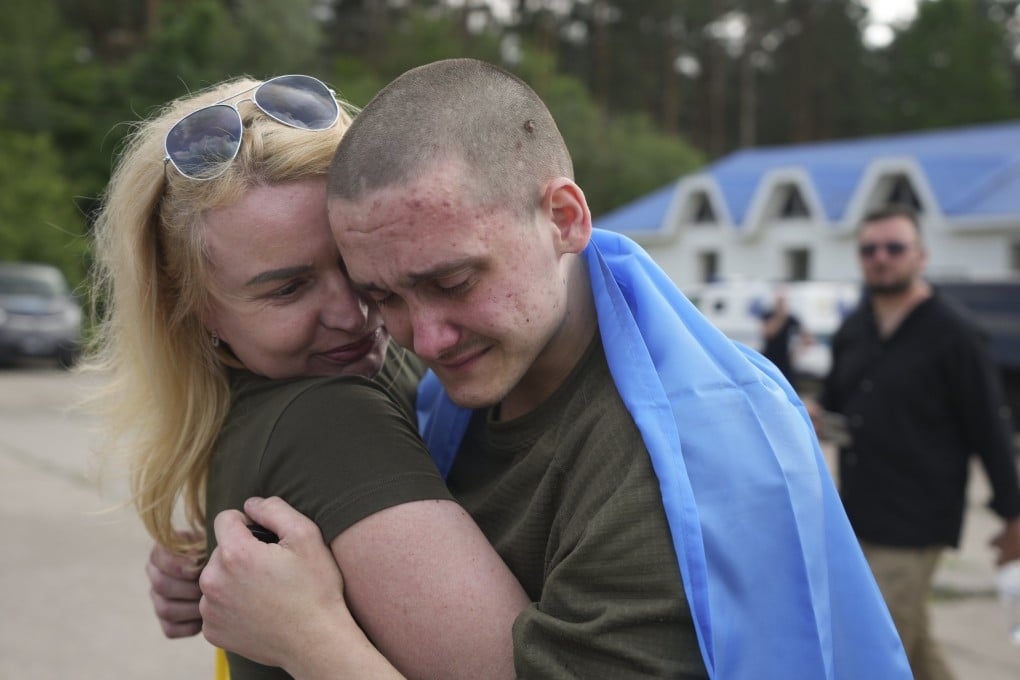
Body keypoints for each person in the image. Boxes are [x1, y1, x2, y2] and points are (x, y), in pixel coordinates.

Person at [192, 58, 912, 679]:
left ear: (566, 219)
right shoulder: (473, 378)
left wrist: (313, 642)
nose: (426, 339)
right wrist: (205, 559)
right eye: (383, 295)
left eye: (454, 282)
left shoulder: (675, 477)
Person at [84, 73, 530, 679]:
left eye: (354, 265)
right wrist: (314, 639)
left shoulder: (255, 406)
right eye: (288, 289)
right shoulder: (330, 418)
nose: (353, 315)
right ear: (194, 305)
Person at [808, 204, 1020, 680]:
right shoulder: (853, 329)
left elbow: (990, 429)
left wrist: (1013, 516)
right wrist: (816, 418)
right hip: (857, 513)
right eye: (869, 249)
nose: (880, 257)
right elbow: (837, 406)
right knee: (911, 645)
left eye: (894, 247)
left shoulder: (955, 335)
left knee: (872, 654)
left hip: (915, 522)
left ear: (920, 256)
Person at [759, 286, 812, 385]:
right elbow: (769, 333)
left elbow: (807, 337)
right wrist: (780, 317)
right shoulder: (769, 315)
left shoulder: (791, 318)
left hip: (785, 361)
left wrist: (797, 352)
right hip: (769, 358)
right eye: (779, 302)